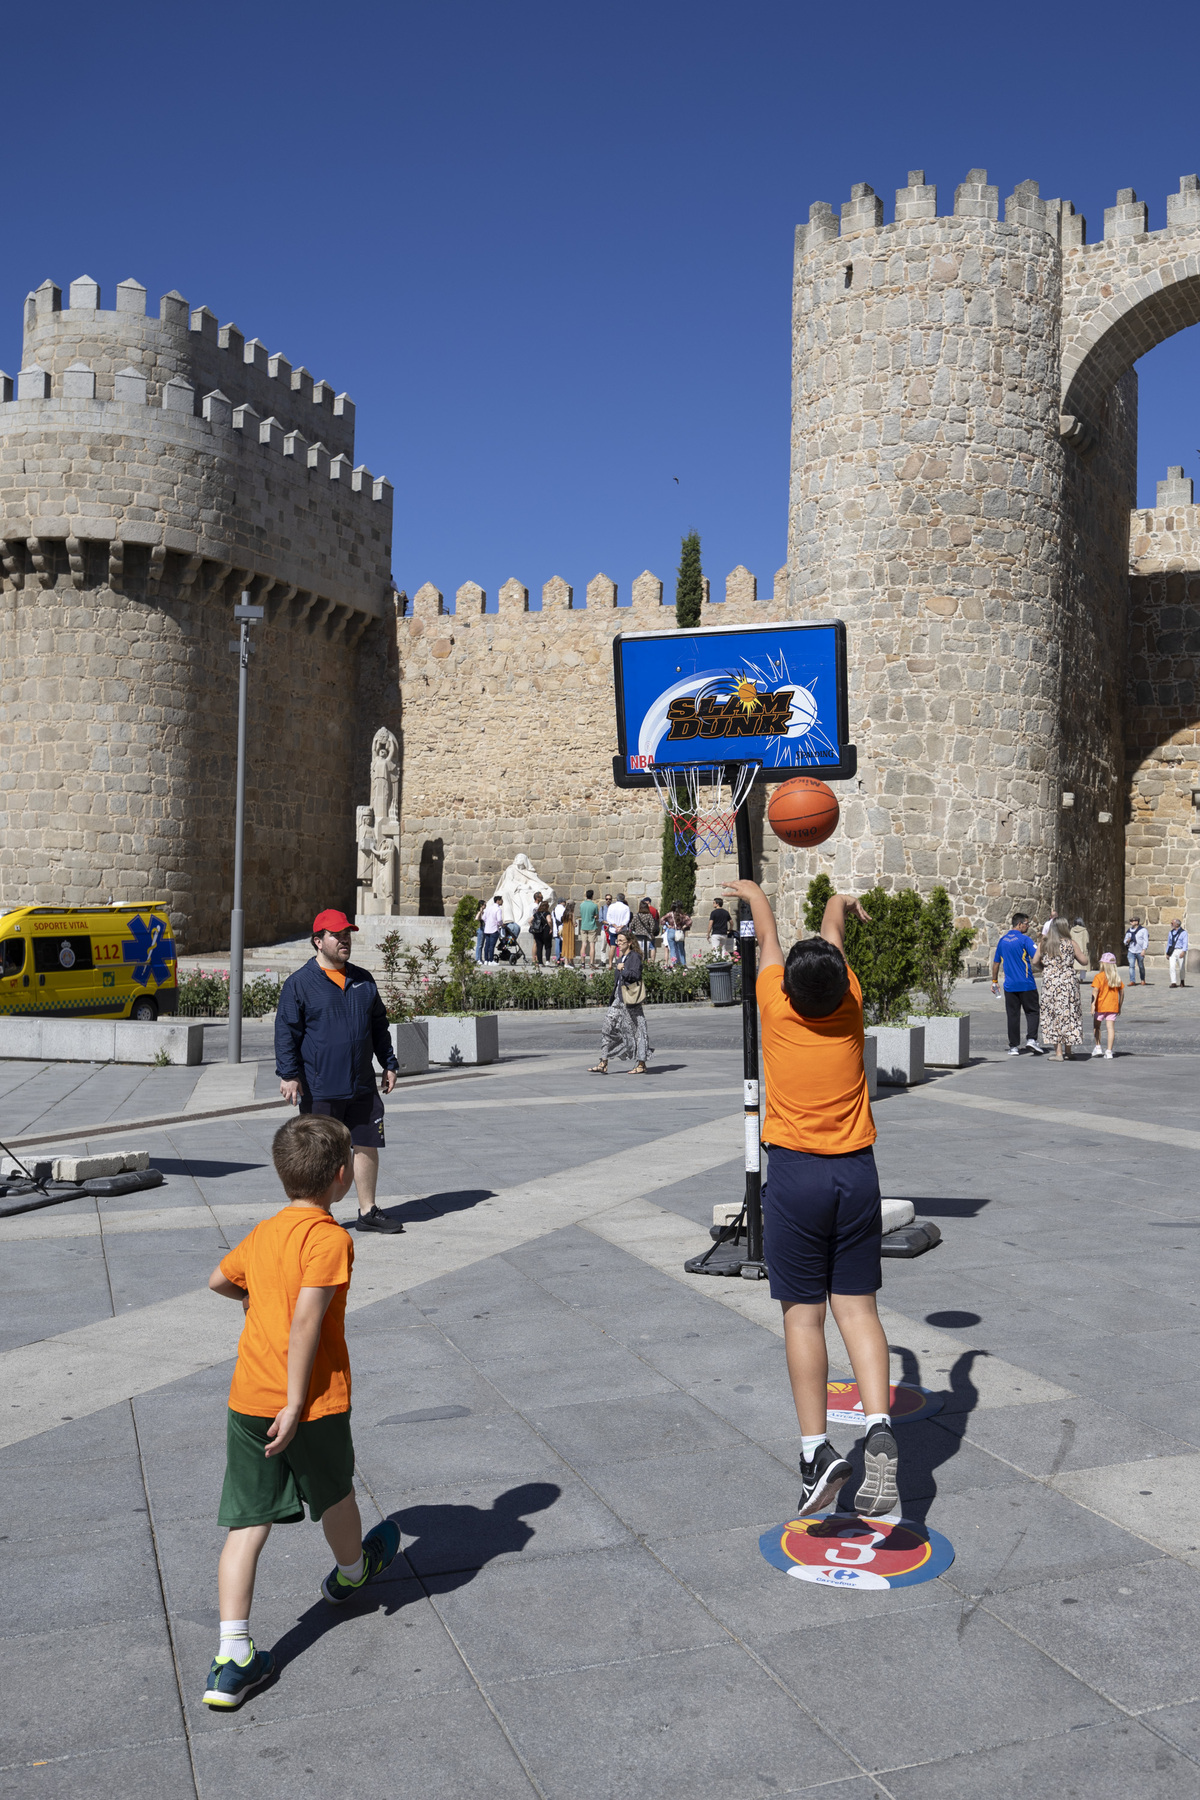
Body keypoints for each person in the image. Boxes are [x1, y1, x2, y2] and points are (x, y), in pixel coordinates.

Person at [202, 1114, 401, 1710]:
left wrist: (254, 1300)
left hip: (247, 1399)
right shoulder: (329, 1239)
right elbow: (309, 1320)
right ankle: (350, 1571)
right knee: (335, 1493)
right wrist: (294, 1404)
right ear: (341, 1177)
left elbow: (217, 1280)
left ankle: (231, 1656)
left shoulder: (264, 1232)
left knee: (247, 1524)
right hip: (309, 1404)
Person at [725, 878, 898, 1520]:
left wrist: (752, 892)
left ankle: (816, 1452)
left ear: (791, 989)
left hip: (797, 1176)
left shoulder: (775, 1006)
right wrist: (840, 903)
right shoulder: (849, 1003)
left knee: (804, 1317)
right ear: (840, 981)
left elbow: (768, 936)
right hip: (857, 1174)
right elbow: (832, 941)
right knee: (858, 1309)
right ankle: (878, 1424)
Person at [275, 910, 401, 1234]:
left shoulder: (363, 980)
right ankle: (319, 1216)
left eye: (348, 934)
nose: (344, 940)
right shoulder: (299, 984)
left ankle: (367, 1210)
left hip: (361, 1083)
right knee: (319, 1154)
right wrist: (289, 1074)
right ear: (318, 941)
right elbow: (286, 1032)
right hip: (320, 1086)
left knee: (367, 1143)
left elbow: (379, 1027)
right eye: (337, 935)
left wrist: (388, 1062)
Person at [589, 929, 651, 1075]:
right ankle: (603, 1061)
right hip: (618, 999)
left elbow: (636, 975)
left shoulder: (634, 957)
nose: (618, 943)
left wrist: (623, 970)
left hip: (630, 1000)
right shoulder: (621, 958)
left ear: (629, 942)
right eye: (617, 941)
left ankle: (641, 1063)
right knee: (607, 1028)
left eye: (621, 941)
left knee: (638, 1030)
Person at [990, 912, 1044, 1056]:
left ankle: (1013, 1046)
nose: (1028, 926)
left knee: (1012, 1015)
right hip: (1027, 984)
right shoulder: (1025, 940)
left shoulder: (1002, 941)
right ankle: (1031, 1039)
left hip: (1010, 986)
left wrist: (994, 981)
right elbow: (1036, 958)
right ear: (1019, 924)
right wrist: (1045, 969)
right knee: (1032, 1012)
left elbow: (996, 963)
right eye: (1026, 923)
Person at [1033, 916, 1086, 1060]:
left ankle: (1058, 1053)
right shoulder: (1071, 943)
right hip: (1068, 981)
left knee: (1053, 1014)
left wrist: (1046, 967)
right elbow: (1084, 960)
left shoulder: (1044, 944)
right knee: (1069, 1013)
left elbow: (1035, 961)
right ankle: (1068, 1050)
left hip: (1051, 982)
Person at [1091, 952, 1123, 1058]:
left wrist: (1093, 1005)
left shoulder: (1099, 976)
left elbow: (1095, 991)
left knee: (1097, 1026)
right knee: (1110, 1028)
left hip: (1100, 1006)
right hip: (1113, 1006)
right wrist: (1119, 1005)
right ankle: (1109, 1051)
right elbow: (1122, 993)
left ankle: (1098, 1047)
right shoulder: (1116, 978)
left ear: (1103, 964)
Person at [605, 893, 632, 967]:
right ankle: (619, 963)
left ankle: (610, 964)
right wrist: (620, 927)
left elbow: (608, 918)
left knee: (612, 946)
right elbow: (627, 919)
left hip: (613, 929)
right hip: (622, 930)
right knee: (621, 947)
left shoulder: (611, 906)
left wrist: (615, 926)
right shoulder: (626, 907)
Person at [579, 890, 600, 968]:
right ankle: (591, 963)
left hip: (584, 926)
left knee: (583, 945)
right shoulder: (594, 906)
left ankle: (582, 962)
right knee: (592, 945)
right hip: (591, 926)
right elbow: (596, 916)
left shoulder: (582, 905)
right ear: (592, 896)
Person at [530, 896, 553, 967]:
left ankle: (540, 962)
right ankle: (547, 961)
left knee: (539, 946)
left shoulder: (536, 913)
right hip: (545, 930)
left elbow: (529, 920)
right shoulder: (547, 913)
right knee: (548, 946)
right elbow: (549, 921)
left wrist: (533, 926)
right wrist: (551, 928)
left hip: (537, 931)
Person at [1125, 916, 1148, 985]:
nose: (1131, 922)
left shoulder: (1143, 930)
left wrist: (1144, 950)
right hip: (1131, 950)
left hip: (1139, 951)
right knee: (1131, 966)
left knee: (1141, 966)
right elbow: (1125, 940)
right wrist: (1127, 941)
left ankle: (1142, 979)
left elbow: (1145, 941)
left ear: (1137, 922)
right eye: (1130, 921)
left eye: (1132, 921)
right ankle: (1132, 981)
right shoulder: (1129, 931)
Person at [481, 894, 503, 965]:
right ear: (498, 901)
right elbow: (499, 919)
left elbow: (483, 918)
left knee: (487, 945)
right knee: (492, 945)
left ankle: (486, 960)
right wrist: (499, 924)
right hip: (494, 929)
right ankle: (491, 960)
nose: (502, 901)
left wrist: (488, 922)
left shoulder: (488, 908)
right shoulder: (498, 909)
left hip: (487, 929)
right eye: (501, 900)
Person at [1167, 918, 1189, 988]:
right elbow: (1169, 943)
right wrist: (1167, 952)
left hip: (1180, 950)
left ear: (1177, 924)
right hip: (1172, 951)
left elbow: (1185, 943)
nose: (1171, 924)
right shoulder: (1170, 933)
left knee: (1181, 967)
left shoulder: (1183, 933)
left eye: (1172, 923)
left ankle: (1182, 980)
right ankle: (1173, 982)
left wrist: (1183, 951)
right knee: (1172, 967)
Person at [635, 897, 658, 962]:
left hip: (638, 935)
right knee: (648, 950)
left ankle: (639, 963)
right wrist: (650, 932)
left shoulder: (637, 915)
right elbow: (653, 924)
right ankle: (649, 962)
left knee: (639, 950)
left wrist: (636, 930)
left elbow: (631, 925)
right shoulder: (651, 914)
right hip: (647, 935)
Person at [560, 900, 576, 966]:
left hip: (565, 931)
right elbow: (574, 923)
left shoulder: (565, 913)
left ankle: (569, 962)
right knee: (570, 946)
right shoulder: (571, 913)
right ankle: (567, 963)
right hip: (570, 931)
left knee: (565, 946)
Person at [552, 898, 566, 963]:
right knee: (563, 944)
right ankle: (562, 958)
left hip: (555, 928)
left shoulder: (554, 910)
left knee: (557, 944)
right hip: (562, 928)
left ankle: (558, 959)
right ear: (562, 902)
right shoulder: (563, 909)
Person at [473, 900, 487, 965]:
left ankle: (480, 958)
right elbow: (476, 919)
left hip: (483, 928)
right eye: (484, 905)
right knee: (479, 944)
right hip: (480, 929)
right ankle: (477, 959)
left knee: (481, 945)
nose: (485, 906)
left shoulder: (483, 912)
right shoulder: (478, 912)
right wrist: (480, 912)